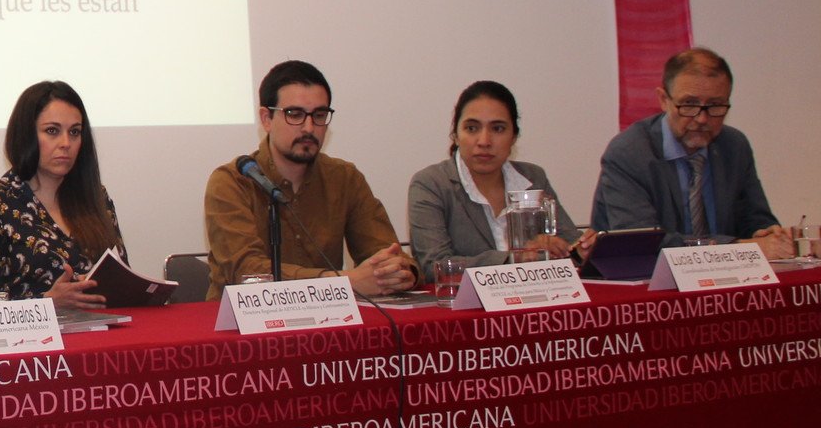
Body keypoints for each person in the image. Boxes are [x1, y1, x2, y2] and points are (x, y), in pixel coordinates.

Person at [204, 60, 417, 299]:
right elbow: (248, 273)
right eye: (295, 115)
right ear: (266, 119)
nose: (309, 127)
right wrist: (345, 283)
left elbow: (387, 252)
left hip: (328, 318)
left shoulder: (344, 177)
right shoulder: (232, 182)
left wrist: (398, 271)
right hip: (240, 319)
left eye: (319, 115)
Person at [590, 47, 791, 256]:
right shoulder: (629, 153)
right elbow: (641, 244)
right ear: (663, 100)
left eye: (715, 105)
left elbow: (755, 218)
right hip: (646, 275)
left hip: (727, 274)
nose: (702, 118)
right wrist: (738, 248)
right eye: (689, 104)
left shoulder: (734, 146)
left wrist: (766, 233)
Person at [408, 80, 596, 270]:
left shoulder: (533, 177)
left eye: (498, 129)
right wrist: (514, 259)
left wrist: (581, 250)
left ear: (514, 137)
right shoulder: (432, 184)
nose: (484, 141)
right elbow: (433, 265)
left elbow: (570, 244)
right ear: (455, 135)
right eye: (472, 128)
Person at [0, 80, 122, 309]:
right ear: (26, 135)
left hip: (106, 325)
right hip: (36, 332)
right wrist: (47, 302)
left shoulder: (96, 196)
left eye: (75, 132)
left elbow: (120, 271)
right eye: (52, 131)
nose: (66, 143)